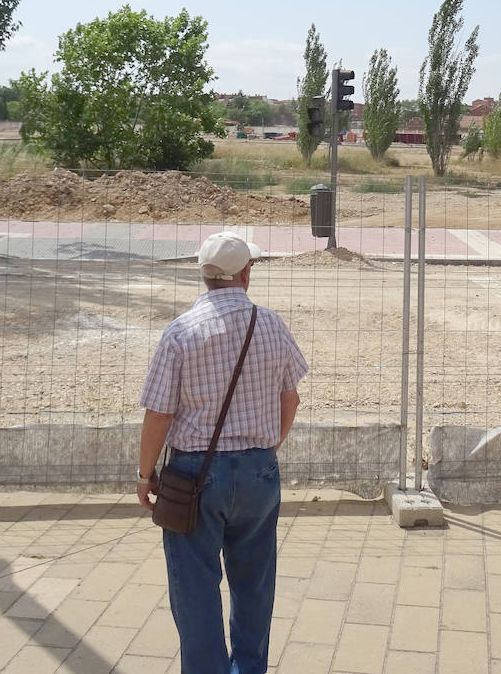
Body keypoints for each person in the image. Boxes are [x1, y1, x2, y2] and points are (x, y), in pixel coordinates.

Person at [137, 231, 308, 674]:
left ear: (204, 275)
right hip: (258, 471)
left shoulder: (180, 333)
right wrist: (268, 447)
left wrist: (145, 473)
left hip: (194, 475)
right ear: (246, 273)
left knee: (195, 588)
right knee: (254, 584)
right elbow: (290, 398)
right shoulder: (270, 324)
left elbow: (158, 414)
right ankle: (249, 668)